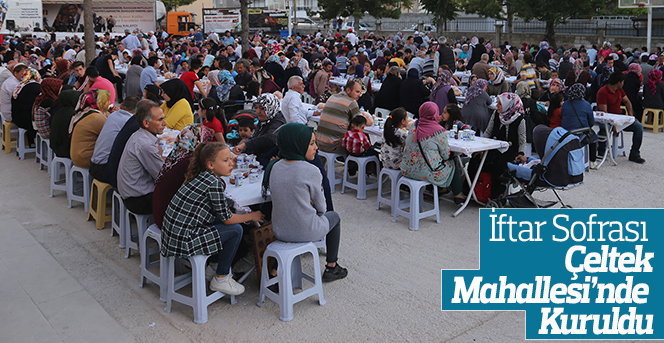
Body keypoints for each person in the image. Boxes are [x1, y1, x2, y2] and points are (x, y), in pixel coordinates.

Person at [162, 142, 264, 295]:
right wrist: (251, 216)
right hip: (184, 240)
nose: (232, 163)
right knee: (235, 230)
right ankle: (221, 278)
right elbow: (228, 219)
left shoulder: (201, 176)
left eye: (231, 158)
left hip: (172, 235)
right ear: (210, 164)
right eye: (225, 161)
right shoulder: (213, 183)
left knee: (220, 223)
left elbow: (220, 215)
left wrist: (242, 217)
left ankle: (213, 267)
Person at [263, 123, 347, 282]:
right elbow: (322, 208)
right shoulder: (311, 170)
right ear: (298, 144)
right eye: (311, 143)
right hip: (305, 231)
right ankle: (331, 266)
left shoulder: (274, 167)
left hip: (279, 230)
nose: (316, 147)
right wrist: (309, 204)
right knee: (334, 216)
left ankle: (275, 273)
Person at [400, 102, 465, 205]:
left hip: (407, 169)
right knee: (453, 161)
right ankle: (457, 194)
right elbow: (446, 155)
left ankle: (442, 189)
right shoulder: (438, 131)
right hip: (425, 173)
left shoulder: (414, 125)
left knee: (429, 160)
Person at [152, 124, 214, 229]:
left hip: (161, 209)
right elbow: (212, 186)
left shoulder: (178, 153)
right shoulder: (190, 161)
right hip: (169, 219)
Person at [117, 99, 167, 214]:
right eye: (160, 120)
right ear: (146, 123)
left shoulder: (140, 135)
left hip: (131, 191)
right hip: (137, 199)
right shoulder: (145, 144)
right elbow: (162, 176)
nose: (165, 123)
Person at [480, 93, 528, 199]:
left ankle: (496, 195)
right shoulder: (496, 115)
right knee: (477, 160)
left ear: (508, 105)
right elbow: (488, 132)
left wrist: (521, 154)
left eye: (500, 104)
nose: (497, 106)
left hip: (510, 151)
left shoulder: (520, 120)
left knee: (499, 165)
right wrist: (480, 147)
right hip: (494, 148)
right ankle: (471, 191)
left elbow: (522, 141)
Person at [596, 72, 645, 164]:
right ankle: (601, 151)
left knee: (638, 127)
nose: (623, 84)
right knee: (604, 128)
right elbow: (604, 112)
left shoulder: (619, 90)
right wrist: (614, 126)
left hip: (619, 118)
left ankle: (634, 154)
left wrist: (630, 116)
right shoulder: (603, 92)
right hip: (607, 119)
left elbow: (627, 102)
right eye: (622, 82)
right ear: (618, 82)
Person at [89, 96, 139, 181]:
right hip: (105, 168)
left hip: (94, 164)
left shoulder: (113, 115)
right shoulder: (130, 122)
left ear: (121, 105)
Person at [231, 93, 285, 162]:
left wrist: (246, 144)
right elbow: (258, 135)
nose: (258, 111)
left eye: (262, 108)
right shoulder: (265, 118)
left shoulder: (278, 121)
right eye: (256, 107)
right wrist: (247, 141)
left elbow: (270, 138)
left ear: (270, 107)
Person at [316, 79, 362, 154]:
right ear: (348, 90)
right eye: (357, 92)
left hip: (318, 142)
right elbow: (362, 122)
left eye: (360, 93)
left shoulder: (332, 97)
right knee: (357, 143)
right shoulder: (351, 102)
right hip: (333, 145)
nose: (359, 95)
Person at [561, 83, 598, 169]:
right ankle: (592, 160)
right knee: (593, 137)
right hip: (581, 133)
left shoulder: (565, 104)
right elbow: (591, 122)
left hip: (566, 132)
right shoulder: (586, 104)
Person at [11, 68, 41, 145]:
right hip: (28, 120)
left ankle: (31, 141)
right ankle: (36, 143)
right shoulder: (37, 87)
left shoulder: (19, 86)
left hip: (17, 117)